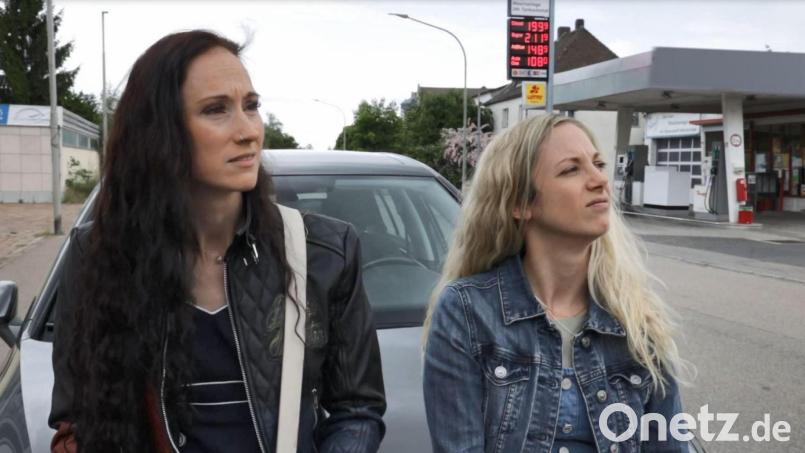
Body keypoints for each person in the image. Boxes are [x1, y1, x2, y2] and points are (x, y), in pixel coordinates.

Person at [49, 30, 386, 453]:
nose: (248, 132)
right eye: (215, 110)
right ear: (159, 132)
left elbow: (357, 408)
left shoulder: (324, 251)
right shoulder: (101, 253)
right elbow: (76, 417)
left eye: (252, 106)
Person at [422, 114, 690, 453]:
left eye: (598, 163)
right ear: (520, 203)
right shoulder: (467, 312)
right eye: (571, 170)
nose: (599, 180)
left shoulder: (634, 316)